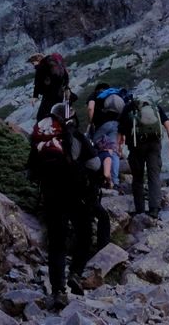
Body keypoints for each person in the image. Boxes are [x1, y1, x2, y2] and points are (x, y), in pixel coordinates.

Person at [28, 100, 102, 310]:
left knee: (57, 243)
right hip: (77, 196)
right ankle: (76, 274)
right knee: (84, 234)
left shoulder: (41, 140)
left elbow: (31, 172)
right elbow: (95, 165)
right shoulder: (78, 138)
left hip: (51, 197)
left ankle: (58, 290)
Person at [121, 93, 169, 218]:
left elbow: (120, 132)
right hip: (154, 145)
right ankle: (154, 210)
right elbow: (168, 125)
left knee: (138, 178)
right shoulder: (155, 106)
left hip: (136, 147)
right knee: (154, 176)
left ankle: (140, 211)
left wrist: (118, 149)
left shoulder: (128, 107)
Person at [86, 84, 124, 189]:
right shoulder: (116, 95)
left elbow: (90, 108)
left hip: (101, 126)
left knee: (98, 150)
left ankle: (101, 179)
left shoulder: (95, 94)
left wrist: (90, 122)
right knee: (114, 152)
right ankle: (115, 182)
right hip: (116, 125)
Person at [29, 52, 69, 120]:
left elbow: (38, 82)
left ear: (38, 58)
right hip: (60, 94)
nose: (33, 65)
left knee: (41, 117)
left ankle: (45, 129)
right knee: (55, 114)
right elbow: (66, 76)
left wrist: (35, 96)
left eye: (33, 63)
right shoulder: (56, 63)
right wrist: (66, 88)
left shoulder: (42, 65)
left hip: (49, 96)